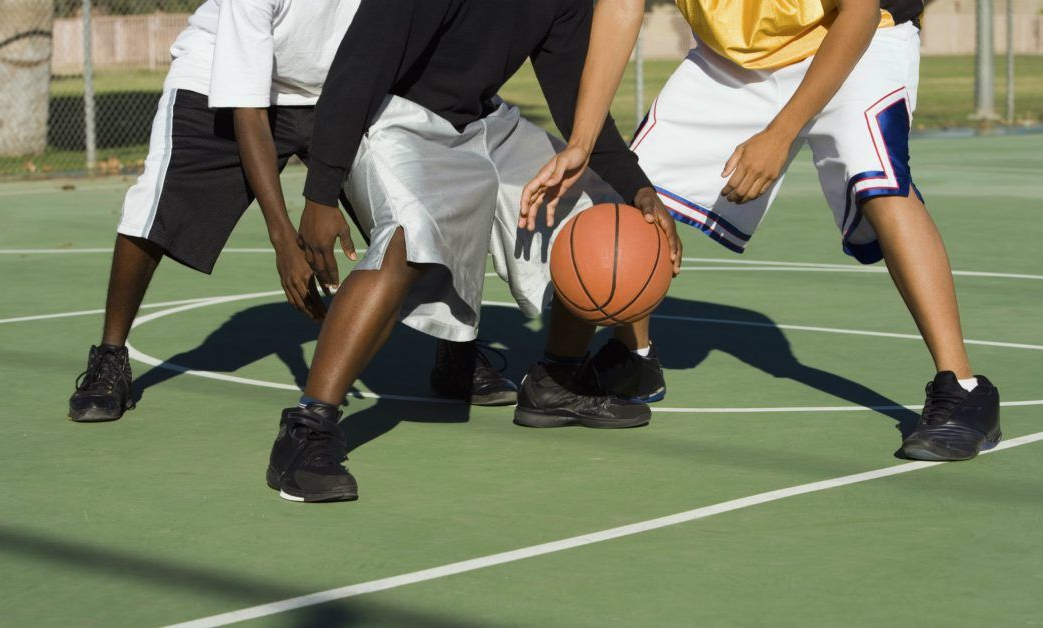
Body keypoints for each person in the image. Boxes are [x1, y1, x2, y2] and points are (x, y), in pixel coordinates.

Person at [522, 0, 1001, 462]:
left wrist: (780, 131)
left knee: (877, 181)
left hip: (860, 37)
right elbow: (621, 7)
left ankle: (962, 389)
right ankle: (602, 363)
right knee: (629, 189)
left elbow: (857, 11)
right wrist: (583, 143)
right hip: (735, 58)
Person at [266, 0, 683, 503]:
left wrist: (639, 190)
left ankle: (557, 381)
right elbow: (358, 66)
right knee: (408, 238)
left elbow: (578, 101)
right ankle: (309, 427)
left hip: (485, 123)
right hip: (397, 118)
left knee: (599, 206)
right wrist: (321, 192)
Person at [67, 0, 514, 423]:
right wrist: (283, 238)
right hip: (221, 80)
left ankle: (456, 349)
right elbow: (249, 110)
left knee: (434, 192)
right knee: (157, 206)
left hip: (346, 87)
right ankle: (110, 355)